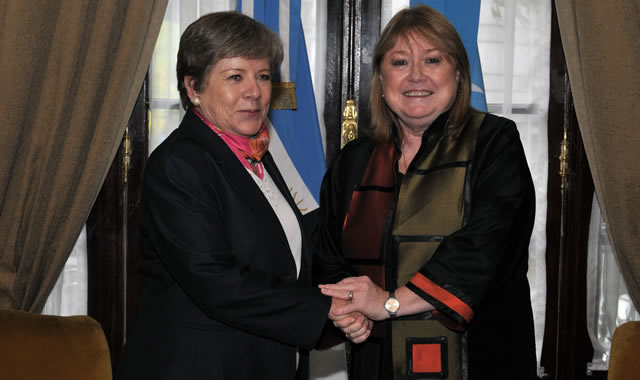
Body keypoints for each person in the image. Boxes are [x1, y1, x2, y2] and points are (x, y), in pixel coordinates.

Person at [114, 11, 370, 380]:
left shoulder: (259, 153)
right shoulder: (179, 164)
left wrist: (348, 300)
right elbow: (216, 280)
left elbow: (288, 260)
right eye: (235, 77)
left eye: (263, 76)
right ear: (193, 89)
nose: (255, 92)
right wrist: (324, 309)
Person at [316, 5, 537, 380]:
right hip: (378, 360)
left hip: (478, 360)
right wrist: (349, 309)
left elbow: (485, 247)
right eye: (400, 62)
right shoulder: (354, 160)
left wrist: (387, 303)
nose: (416, 76)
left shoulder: (494, 143)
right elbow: (328, 255)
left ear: (458, 73)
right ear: (381, 80)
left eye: (432, 60)